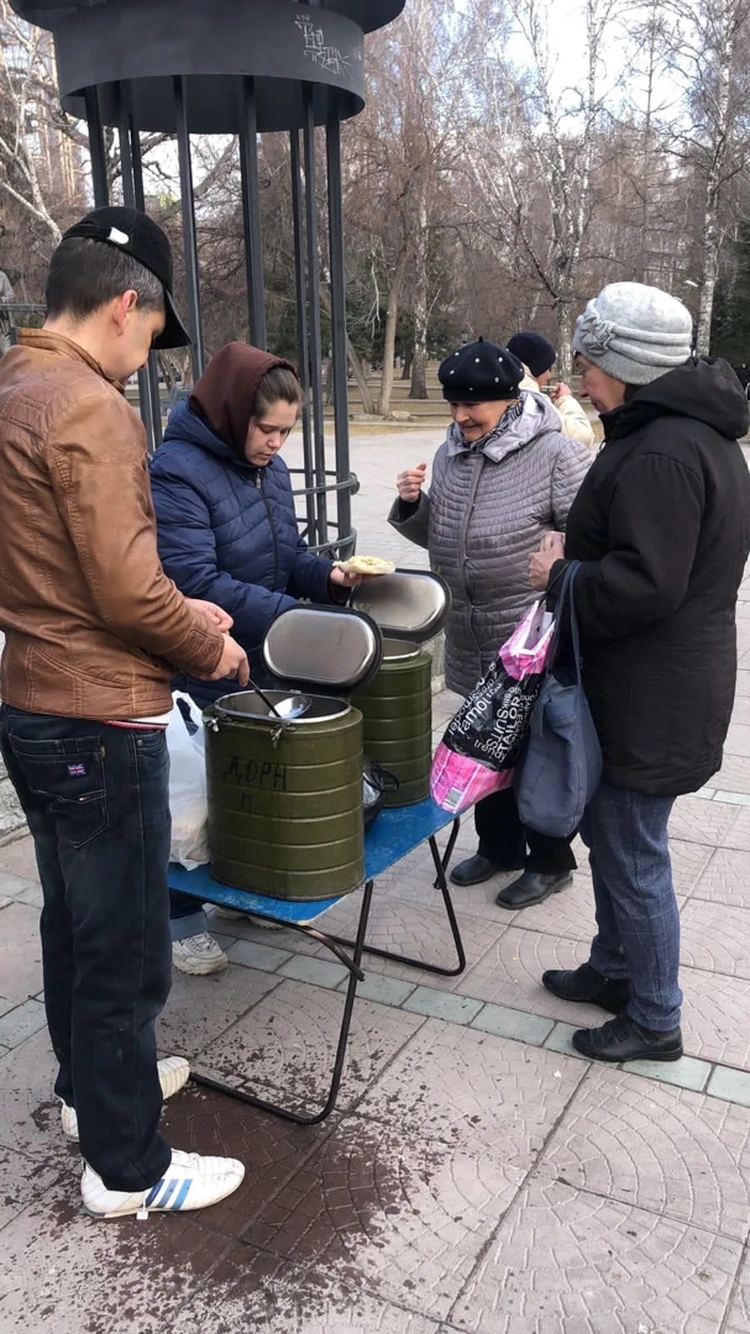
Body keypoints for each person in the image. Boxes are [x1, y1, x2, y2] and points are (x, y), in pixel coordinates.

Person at [0, 205, 251, 1220]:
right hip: (101, 717)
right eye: (153, 331)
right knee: (128, 947)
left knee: (76, 921)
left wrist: (173, 601)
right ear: (124, 303)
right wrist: (211, 644)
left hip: (32, 700)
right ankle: (130, 1166)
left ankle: (88, 1092)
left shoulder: (15, 385)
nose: (149, 354)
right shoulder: (89, 406)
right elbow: (123, 594)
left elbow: (71, 568)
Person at [529, 281, 750, 1063]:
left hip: (650, 692)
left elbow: (648, 584)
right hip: (656, 683)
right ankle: (615, 967)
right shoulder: (684, 434)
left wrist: (560, 573)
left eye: (590, 362)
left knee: (631, 852)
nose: (581, 377)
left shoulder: (663, 449)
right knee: (615, 838)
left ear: (625, 363)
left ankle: (655, 1015)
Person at [149, 342, 366, 974]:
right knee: (190, 795)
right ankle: (179, 917)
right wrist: (295, 618)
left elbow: (288, 556)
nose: (276, 443)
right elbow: (194, 578)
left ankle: (238, 882)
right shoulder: (177, 471)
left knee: (245, 784)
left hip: (262, 648)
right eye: (266, 429)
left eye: (286, 432)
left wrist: (329, 580)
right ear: (230, 412)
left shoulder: (267, 471)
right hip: (203, 656)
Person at [389, 338, 591, 908]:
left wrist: (555, 567)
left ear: (507, 399)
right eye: (452, 405)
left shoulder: (558, 453)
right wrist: (413, 506)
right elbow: (443, 537)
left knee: (534, 747)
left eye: (470, 406)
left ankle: (552, 860)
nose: (458, 416)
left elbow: (594, 539)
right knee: (485, 741)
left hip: (530, 632)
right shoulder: (453, 451)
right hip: (470, 625)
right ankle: (500, 847)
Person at [507, 331, 594, 447]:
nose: (549, 375)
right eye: (548, 369)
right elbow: (583, 437)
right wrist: (565, 400)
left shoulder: (498, 393)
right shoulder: (533, 403)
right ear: (536, 368)